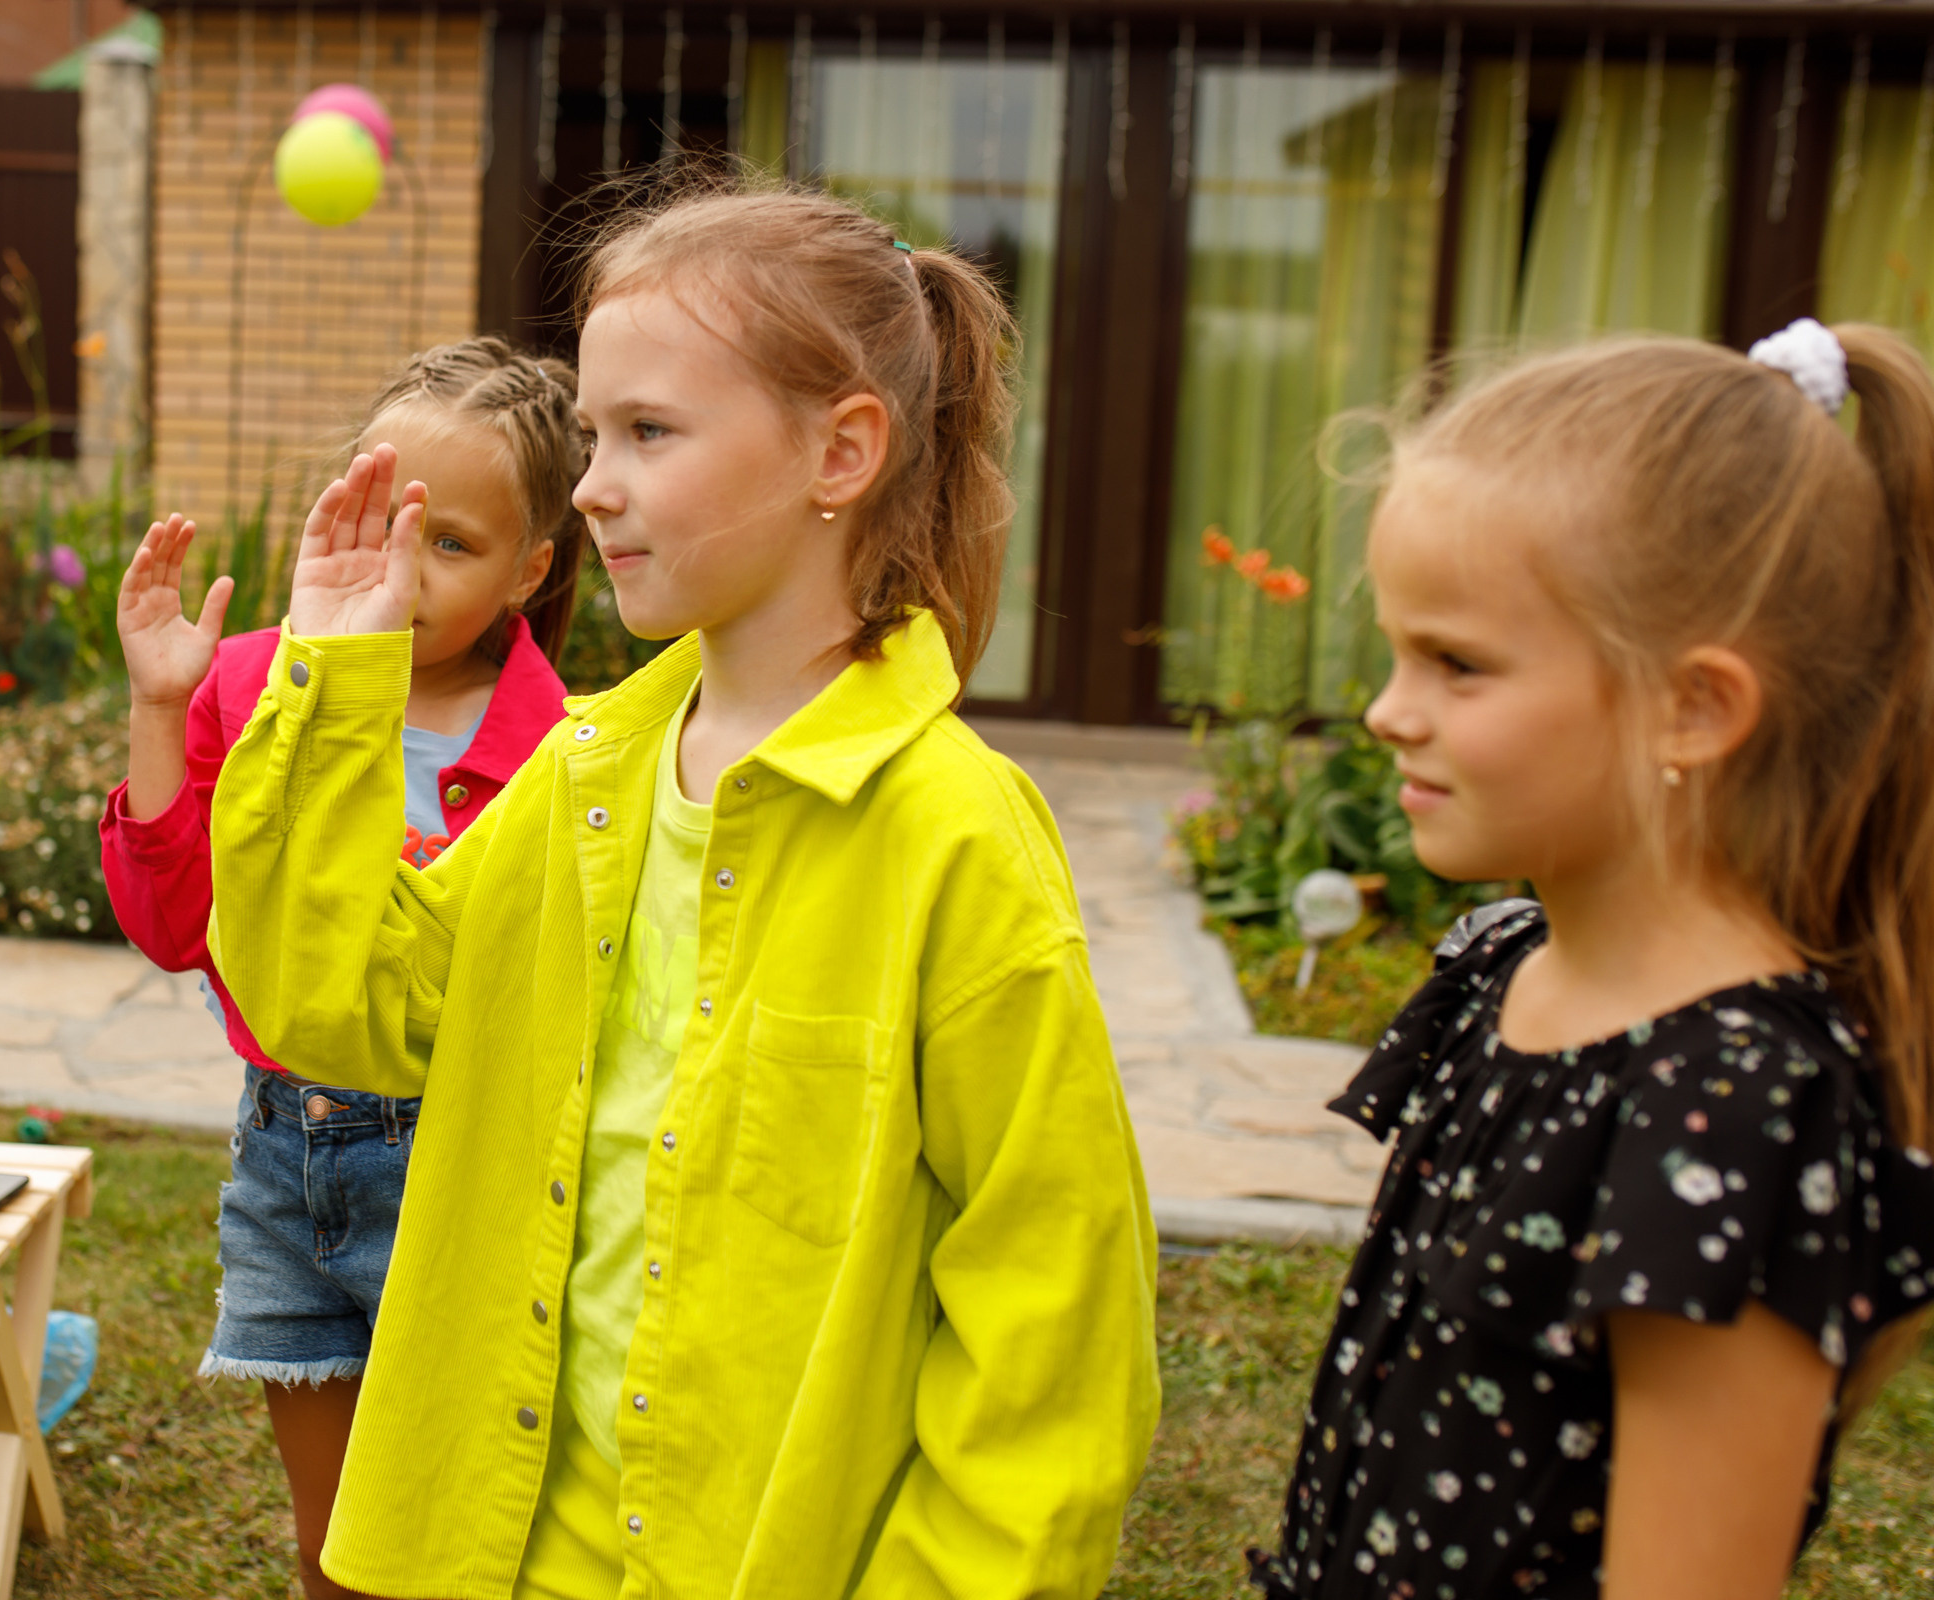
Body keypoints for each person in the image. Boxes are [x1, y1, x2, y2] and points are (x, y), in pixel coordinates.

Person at [205, 183, 1159, 1599]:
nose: (591, 485)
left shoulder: (957, 839)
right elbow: (337, 1006)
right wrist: (343, 679)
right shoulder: (584, 775)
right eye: (594, 435)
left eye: (648, 433)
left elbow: (1054, 1324)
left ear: (842, 451)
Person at [1251, 319, 1934, 1600]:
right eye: (1397, 651)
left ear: (1694, 706)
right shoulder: (1503, 973)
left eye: (1457, 663)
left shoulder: (1735, 1101)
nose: (1390, 710)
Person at [102, 337, 587, 1600]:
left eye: (454, 545)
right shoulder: (257, 683)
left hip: (465, 1166)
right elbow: (172, 926)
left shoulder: (568, 751)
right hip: (287, 1155)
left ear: (534, 568)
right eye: (384, 524)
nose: (404, 576)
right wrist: (164, 706)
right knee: (336, 1550)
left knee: (476, 1533)